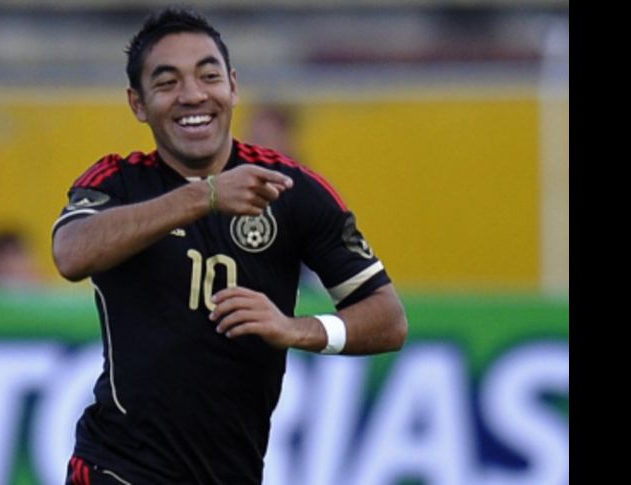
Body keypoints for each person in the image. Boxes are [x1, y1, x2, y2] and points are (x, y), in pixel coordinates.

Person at [52, 8, 408, 485]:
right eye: (167, 82)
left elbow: (388, 319)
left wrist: (296, 329)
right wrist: (207, 195)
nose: (192, 95)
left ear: (233, 86)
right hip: (117, 468)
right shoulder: (119, 182)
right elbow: (71, 254)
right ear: (138, 103)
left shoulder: (291, 190)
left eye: (208, 76)